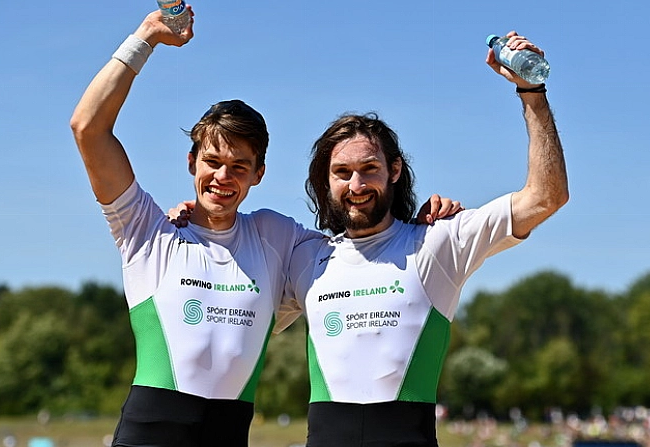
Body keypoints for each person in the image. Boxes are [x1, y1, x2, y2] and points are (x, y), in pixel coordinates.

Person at [70, 8, 459, 447]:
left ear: (259, 174)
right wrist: (146, 37)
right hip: (147, 433)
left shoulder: (278, 238)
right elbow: (88, 128)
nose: (222, 177)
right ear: (191, 162)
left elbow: (360, 249)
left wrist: (414, 226)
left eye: (239, 166)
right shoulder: (148, 233)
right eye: (212, 162)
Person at [277, 32, 569, 447]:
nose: (356, 184)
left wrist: (532, 91)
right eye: (342, 172)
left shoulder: (438, 243)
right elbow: (232, 314)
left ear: (394, 170)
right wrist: (199, 218)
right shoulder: (305, 258)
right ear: (326, 182)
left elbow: (546, 196)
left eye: (370, 169)